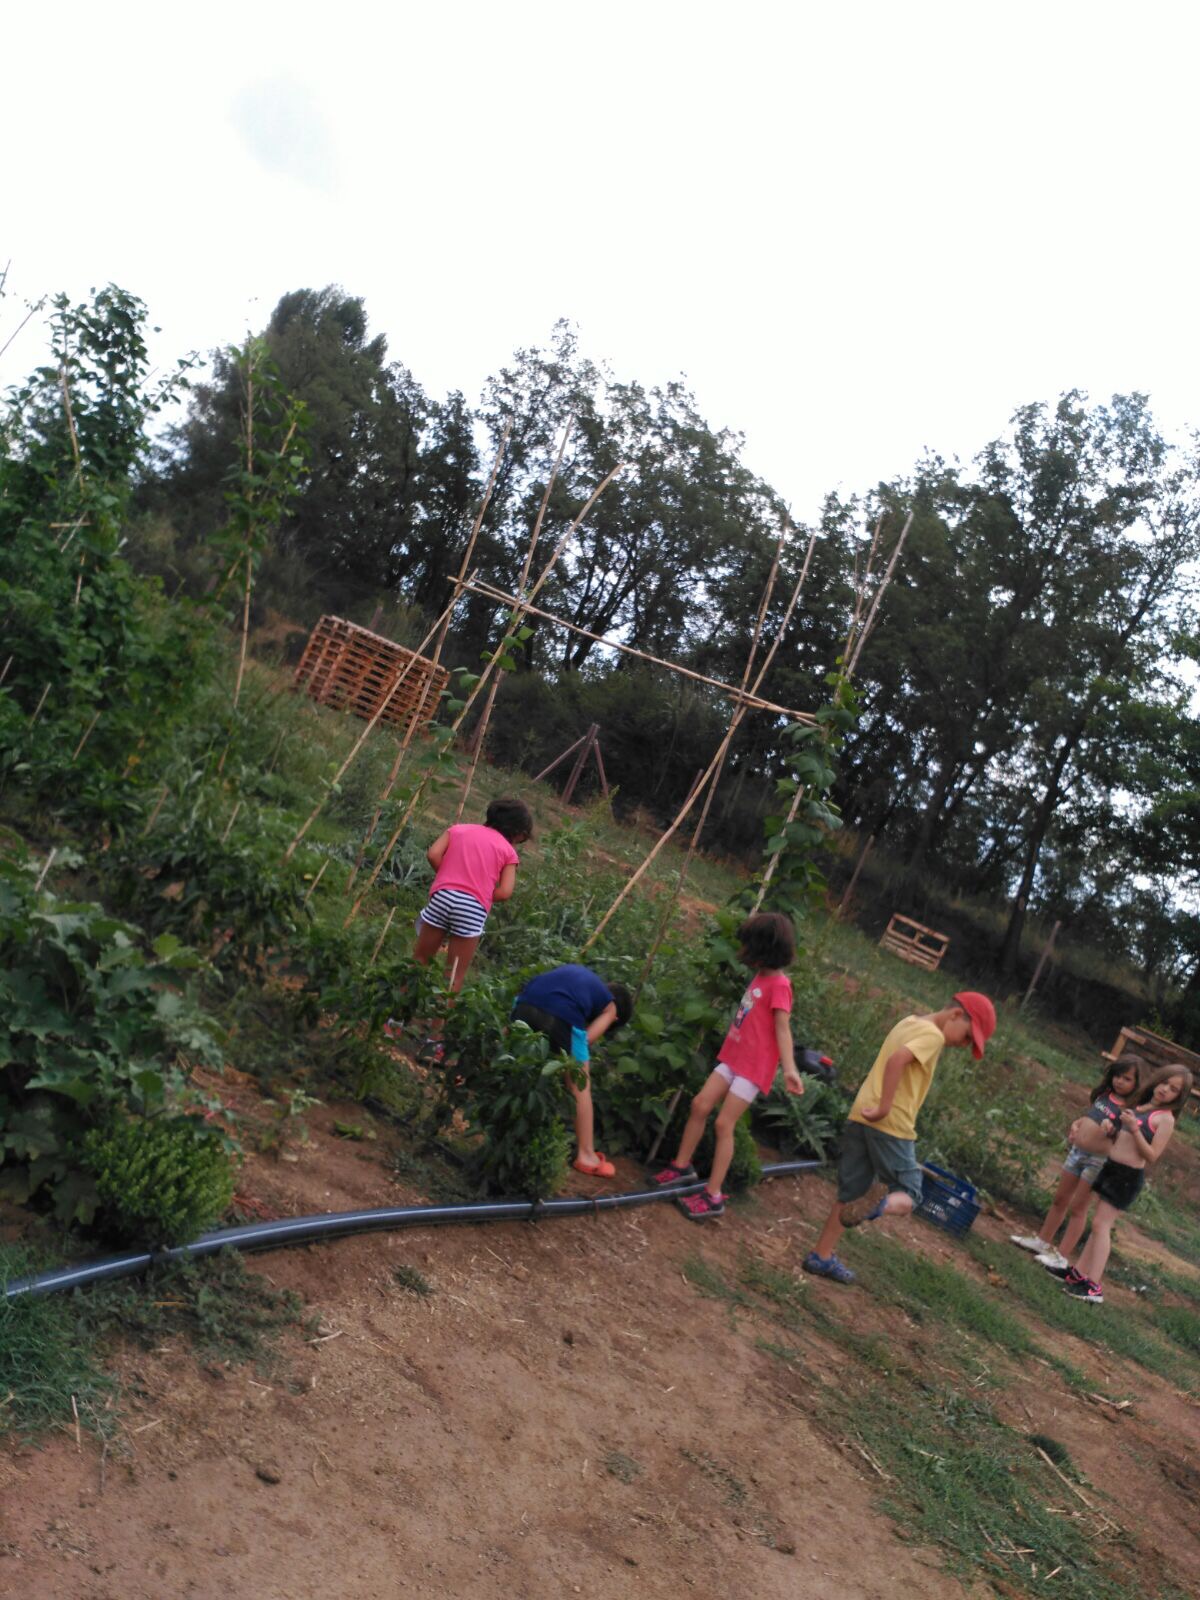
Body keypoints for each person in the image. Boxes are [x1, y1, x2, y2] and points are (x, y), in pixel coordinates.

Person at [802, 991, 997, 1284]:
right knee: (911, 1194)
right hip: (891, 1124)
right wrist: (884, 1108)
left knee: (851, 1194)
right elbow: (897, 1060)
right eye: (968, 1036)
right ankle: (877, 1205)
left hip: (861, 1115)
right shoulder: (933, 1036)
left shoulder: (909, 1022)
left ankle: (821, 1255)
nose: (964, 1044)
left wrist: (876, 1107)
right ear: (956, 1015)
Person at [648, 912, 803, 1222]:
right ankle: (682, 1167)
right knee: (700, 1105)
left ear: (764, 949)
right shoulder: (761, 975)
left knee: (723, 1124)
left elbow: (782, 1029)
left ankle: (714, 1195)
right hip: (733, 1058)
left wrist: (789, 1069)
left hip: (753, 1068)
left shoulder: (780, 985)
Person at [1056, 1065, 1193, 1305]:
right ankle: (1078, 1273)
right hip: (1110, 1167)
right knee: (1097, 1224)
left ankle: (1094, 1287)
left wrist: (1135, 1130)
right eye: (1165, 1083)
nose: (1165, 1090)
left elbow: (1151, 1155)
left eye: (1173, 1089)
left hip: (1127, 1176)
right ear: (1157, 1080)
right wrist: (1112, 1130)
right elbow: (1123, 1137)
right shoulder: (1142, 1106)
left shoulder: (1165, 1119)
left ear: (1178, 1097)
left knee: (1101, 1225)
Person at [1009, 1056, 1143, 1271]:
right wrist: (1076, 1125)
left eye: (1127, 1078)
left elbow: (1126, 1140)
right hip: (1077, 1153)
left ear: (1137, 1083)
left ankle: (1061, 1257)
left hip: (1097, 1162)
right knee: (1060, 1199)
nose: (1120, 1081)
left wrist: (1113, 1132)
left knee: (1078, 1208)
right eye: (1118, 1075)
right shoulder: (1104, 1095)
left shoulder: (1130, 1111)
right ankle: (1042, 1241)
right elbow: (1088, 1117)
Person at [511, 964, 633, 1178]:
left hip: (524, 1002)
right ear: (615, 1020)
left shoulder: (585, 981)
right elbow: (586, 1040)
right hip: (560, 1014)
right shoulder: (611, 1008)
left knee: (511, 1052)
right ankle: (586, 1155)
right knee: (579, 1081)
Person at [413, 797, 533, 992]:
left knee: (419, 960)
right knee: (454, 976)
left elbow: (433, 854)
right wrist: (480, 893)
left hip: (443, 896)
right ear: (517, 831)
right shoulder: (508, 851)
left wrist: (448, 878)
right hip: (472, 907)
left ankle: (399, 1009)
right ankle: (439, 1013)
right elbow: (505, 892)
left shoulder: (458, 829)